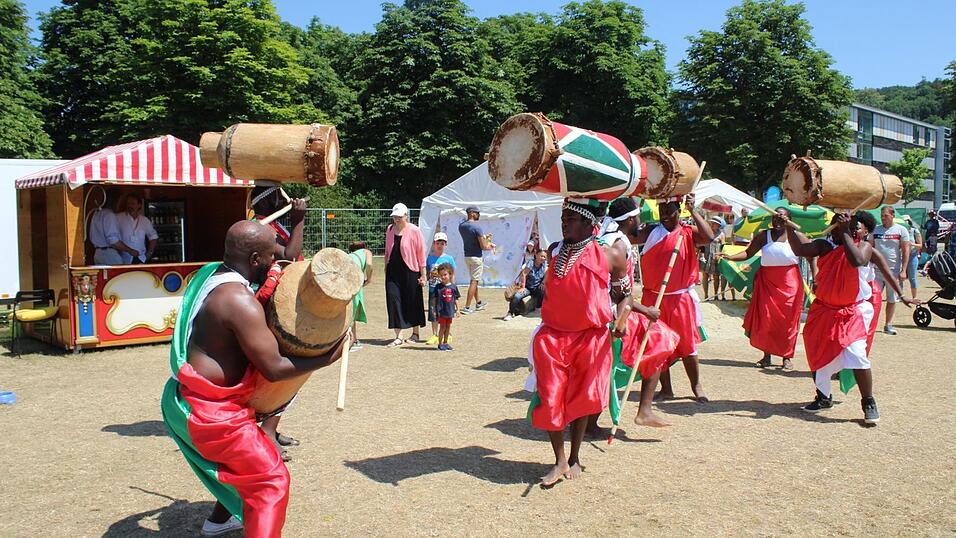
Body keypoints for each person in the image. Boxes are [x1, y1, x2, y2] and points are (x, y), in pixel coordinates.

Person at [161, 221, 347, 538]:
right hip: (211, 414)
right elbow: (274, 367)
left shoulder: (210, 273)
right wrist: (329, 356)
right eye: (271, 255)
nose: (277, 260)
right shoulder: (238, 301)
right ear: (255, 260)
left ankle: (219, 520)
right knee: (270, 480)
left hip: (189, 399)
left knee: (244, 469)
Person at [783, 213, 915, 423]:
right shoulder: (824, 246)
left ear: (865, 232)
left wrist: (901, 294)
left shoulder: (864, 248)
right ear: (832, 227)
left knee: (856, 354)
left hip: (853, 312)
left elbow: (858, 262)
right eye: (841, 225)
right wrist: (788, 227)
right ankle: (823, 396)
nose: (850, 229)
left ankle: (868, 402)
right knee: (818, 354)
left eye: (855, 227)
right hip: (824, 311)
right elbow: (800, 249)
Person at [525, 199, 613, 486]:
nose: (563, 222)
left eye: (571, 218)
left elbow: (625, 294)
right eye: (562, 217)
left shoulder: (608, 254)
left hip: (589, 337)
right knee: (550, 397)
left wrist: (621, 319)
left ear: (589, 223)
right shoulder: (554, 251)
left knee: (580, 400)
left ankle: (574, 456)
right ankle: (559, 459)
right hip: (553, 337)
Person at [591, 196, 677, 434]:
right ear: (631, 219)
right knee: (658, 341)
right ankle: (643, 411)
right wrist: (645, 310)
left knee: (608, 365)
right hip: (613, 313)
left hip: (613, 309)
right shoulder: (618, 245)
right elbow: (617, 293)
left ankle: (640, 411)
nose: (641, 220)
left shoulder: (611, 239)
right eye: (638, 216)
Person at [632, 194, 715, 402]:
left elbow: (709, 237)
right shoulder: (651, 231)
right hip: (654, 298)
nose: (665, 216)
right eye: (662, 211)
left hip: (680, 299)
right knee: (657, 344)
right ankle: (666, 388)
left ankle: (696, 386)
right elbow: (630, 235)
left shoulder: (687, 233)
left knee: (687, 346)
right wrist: (636, 206)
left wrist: (693, 210)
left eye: (670, 211)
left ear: (679, 210)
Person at [249, 185, 308, 461]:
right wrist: (299, 220)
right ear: (269, 201)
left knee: (290, 368)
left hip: (274, 305)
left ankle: (272, 426)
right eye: (279, 196)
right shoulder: (259, 229)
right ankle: (267, 431)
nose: (285, 200)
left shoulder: (269, 226)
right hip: (262, 308)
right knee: (282, 368)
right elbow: (290, 254)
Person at [720, 207, 802, 370]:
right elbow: (748, 253)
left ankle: (786, 356)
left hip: (790, 282)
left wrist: (815, 275)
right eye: (775, 218)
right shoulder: (764, 235)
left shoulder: (795, 235)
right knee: (767, 318)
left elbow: (810, 253)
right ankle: (767, 356)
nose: (778, 221)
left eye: (782, 218)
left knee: (789, 321)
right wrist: (731, 257)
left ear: (788, 219)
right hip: (767, 282)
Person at [385, 203, 427, 347]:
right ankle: (398, 336)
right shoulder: (390, 230)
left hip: (411, 271)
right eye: (395, 216)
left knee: (412, 300)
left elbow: (421, 253)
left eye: (399, 216)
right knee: (393, 301)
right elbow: (387, 250)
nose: (396, 219)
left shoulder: (415, 230)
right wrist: (385, 266)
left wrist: (423, 274)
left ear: (406, 216)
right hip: (393, 271)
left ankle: (415, 333)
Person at [872, 206, 910, 335]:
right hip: (876, 271)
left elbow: (906, 250)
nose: (883, 218)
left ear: (893, 215)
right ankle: (870, 324)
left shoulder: (901, 230)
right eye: (882, 216)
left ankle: (888, 324)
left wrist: (904, 270)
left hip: (893, 270)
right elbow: (870, 247)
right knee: (873, 298)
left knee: (891, 299)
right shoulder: (876, 230)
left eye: (886, 216)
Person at [458, 206, 495, 314]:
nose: (479, 215)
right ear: (472, 213)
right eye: (478, 213)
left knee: (473, 280)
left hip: (467, 256)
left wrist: (485, 238)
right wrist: (490, 246)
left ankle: (478, 303)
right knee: (474, 281)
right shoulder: (477, 227)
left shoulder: (461, 226)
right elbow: (483, 246)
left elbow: (472, 238)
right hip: (476, 257)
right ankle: (467, 307)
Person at [88, 189, 138, 265]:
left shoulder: (97, 213)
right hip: (109, 254)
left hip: (97, 253)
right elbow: (113, 240)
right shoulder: (109, 215)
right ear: (115, 201)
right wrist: (130, 250)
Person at [425, 232, 456, 345]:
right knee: (433, 312)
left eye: (442, 243)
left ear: (445, 245)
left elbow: (453, 275)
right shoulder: (429, 258)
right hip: (433, 290)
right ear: (434, 244)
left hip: (446, 291)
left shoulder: (449, 259)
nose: (440, 245)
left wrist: (453, 289)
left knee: (446, 313)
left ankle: (448, 334)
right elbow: (427, 273)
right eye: (438, 243)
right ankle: (434, 334)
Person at [503, 249, 547, 321]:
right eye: (541, 256)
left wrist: (543, 283)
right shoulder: (531, 263)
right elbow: (524, 274)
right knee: (517, 296)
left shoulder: (544, 264)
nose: (543, 258)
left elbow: (547, 273)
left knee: (543, 290)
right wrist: (523, 287)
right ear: (536, 255)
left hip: (537, 287)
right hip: (528, 287)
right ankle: (510, 313)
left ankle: (538, 308)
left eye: (544, 257)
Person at [116, 192, 158, 264]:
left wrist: (148, 254)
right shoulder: (118, 218)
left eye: (132, 203)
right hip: (123, 259)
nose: (130, 206)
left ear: (139, 205)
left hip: (141, 258)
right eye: (128, 203)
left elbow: (153, 237)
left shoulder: (144, 220)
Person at [348, 241, 373, 352]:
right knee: (353, 311)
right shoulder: (366, 252)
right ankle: (351, 340)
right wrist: (369, 278)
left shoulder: (350, 255)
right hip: (354, 280)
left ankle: (354, 339)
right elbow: (369, 265)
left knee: (349, 310)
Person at [701, 216, 733, 300]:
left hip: (716, 256)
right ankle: (706, 295)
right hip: (706, 255)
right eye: (712, 223)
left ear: (718, 225)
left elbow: (723, 246)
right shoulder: (706, 232)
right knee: (705, 275)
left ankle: (715, 295)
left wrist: (721, 255)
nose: (713, 224)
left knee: (716, 276)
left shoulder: (721, 234)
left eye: (715, 223)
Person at [430, 263, 460, 351]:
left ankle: (446, 343)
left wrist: (458, 309)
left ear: (450, 274)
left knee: (448, 327)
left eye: (445, 275)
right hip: (441, 311)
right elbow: (434, 299)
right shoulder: (438, 287)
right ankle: (440, 344)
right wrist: (434, 310)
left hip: (450, 311)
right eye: (441, 275)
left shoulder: (453, 287)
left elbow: (456, 299)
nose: (443, 277)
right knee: (442, 327)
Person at [903, 215, 922, 299]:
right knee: (900, 277)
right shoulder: (900, 231)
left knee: (912, 277)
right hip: (901, 256)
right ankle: (900, 296)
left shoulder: (915, 231)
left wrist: (912, 244)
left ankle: (914, 297)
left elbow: (920, 245)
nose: (906, 223)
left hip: (912, 256)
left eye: (907, 221)